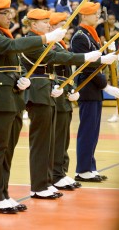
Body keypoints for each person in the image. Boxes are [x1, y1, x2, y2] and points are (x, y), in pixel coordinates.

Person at [0, 0, 67, 213]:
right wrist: (45, 38)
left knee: (7, 150)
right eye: (5, 13)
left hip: (13, 99)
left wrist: (20, 80)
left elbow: (12, 61)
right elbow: (12, 46)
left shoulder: (2, 32)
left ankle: (2, 194)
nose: (11, 17)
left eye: (11, 13)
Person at [21, 9, 103, 198]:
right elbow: (55, 58)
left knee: (50, 141)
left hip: (48, 91)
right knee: (41, 143)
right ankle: (39, 185)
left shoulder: (42, 40)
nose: (48, 25)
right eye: (44, 22)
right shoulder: (33, 41)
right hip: (38, 93)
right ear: (34, 24)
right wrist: (85, 57)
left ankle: (47, 180)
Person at [70, 2, 119, 182]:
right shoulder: (80, 37)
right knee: (87, 130)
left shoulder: (89, 35)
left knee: (93, 130)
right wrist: (106, 86)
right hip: (87, 88)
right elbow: (87, 68)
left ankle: (89, 167)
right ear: (84, 16)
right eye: (94, 14)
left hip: (94, 88)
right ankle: (82, 170)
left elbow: (97, 64)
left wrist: (107, 55)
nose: (97, 17)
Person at [49, 12, 83, 190]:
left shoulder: (61, 44)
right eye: (63, 25)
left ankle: (61, 171)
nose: (67, 29)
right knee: (58, 137)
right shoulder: (51, 45)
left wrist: (71, 89)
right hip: (55, 95)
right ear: (53, 27)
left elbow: (67, 73)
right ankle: (55, 174)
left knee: (64, 137)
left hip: (64, 95)